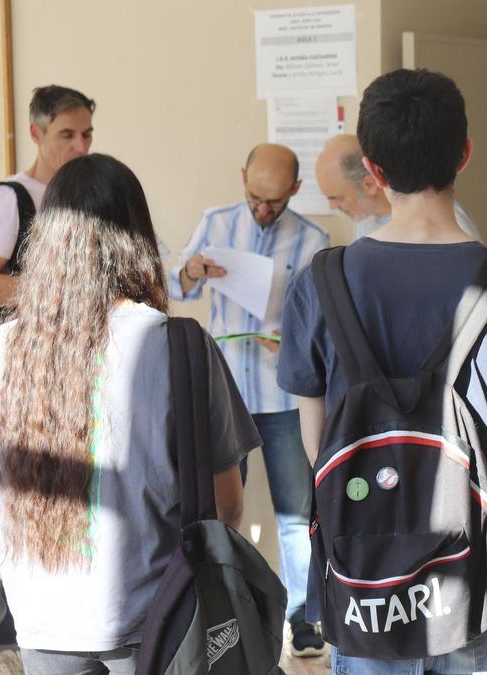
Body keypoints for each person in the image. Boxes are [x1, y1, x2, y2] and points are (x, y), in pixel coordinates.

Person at [279, 68, 487, 674]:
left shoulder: (319, 284)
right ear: (464, 154)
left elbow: (318, 444)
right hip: (476, 585)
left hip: (364, 590)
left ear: (374, 173)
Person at [0, 153, 258, 673]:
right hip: (162, 616)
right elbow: (228, 504)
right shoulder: (182, 345)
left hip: (41, 617)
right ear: (138, 237)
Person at [168, 143, 329, 656]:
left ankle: (304, 618)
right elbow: (177, 286)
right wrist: (192, 270)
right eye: (255, 198)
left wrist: (291, 335)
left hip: (283, 394)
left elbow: (319, 318)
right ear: (243, 179)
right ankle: (218, 607)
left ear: (295, 192)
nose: (262, 210)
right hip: (224, 390)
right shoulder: (215, 223)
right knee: (217, 508)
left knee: (295, 511)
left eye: (274, 202)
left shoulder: (312, 238)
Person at [0, 85, 95, 347]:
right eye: (67, 135)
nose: (81, 147)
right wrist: (62, 291)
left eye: (86, 135)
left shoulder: (89, 198)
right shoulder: (7, 198)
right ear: (35, 133)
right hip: (17, 365)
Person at [315, 133, 481, 241]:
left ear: (369, 185)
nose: (332, 206)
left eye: (337, 198)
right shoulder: (365, 226)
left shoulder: (447, 217)